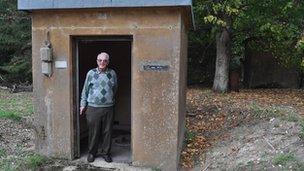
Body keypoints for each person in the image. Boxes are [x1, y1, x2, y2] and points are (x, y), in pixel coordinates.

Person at [80, 52, 117, 163]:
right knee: (93, 132)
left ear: (108, 62)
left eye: (105, 60)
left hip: (108, 107)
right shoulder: (90, 73)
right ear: (97, 61)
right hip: (93, 108)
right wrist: (83, 104)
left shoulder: (112, 73)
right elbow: (85, 90)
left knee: (107, 132)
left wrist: (109, 99)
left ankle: (106, 153)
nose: (102, 62)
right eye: (100, 60)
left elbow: (115, 88)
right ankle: (92, 153)